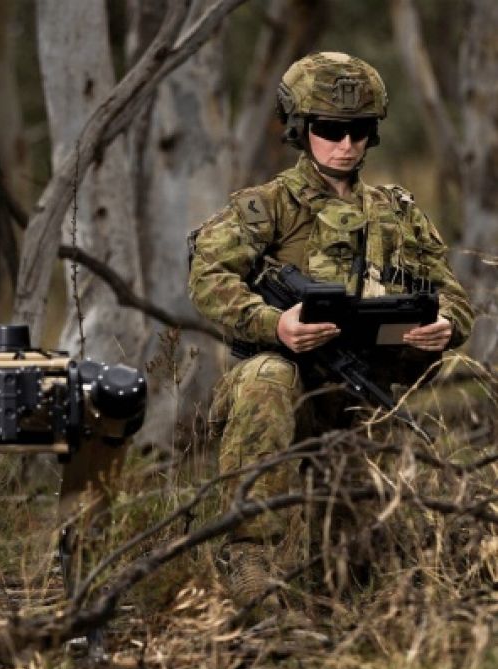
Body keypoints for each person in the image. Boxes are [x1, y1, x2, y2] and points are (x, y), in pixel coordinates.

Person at [188, 52, 474, 612]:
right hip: (281, 384)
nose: (345, 144)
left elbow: (452, 291)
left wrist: (445, 325)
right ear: (300, 129)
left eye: (360, 130)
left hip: (360, 388)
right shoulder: (266, 207)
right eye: (329, 130)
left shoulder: (397, 212)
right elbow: (208, 278)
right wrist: (274, 324)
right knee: (266, 375)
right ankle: (250, 557)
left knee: (353, 570)